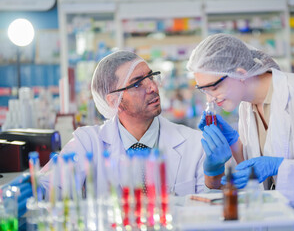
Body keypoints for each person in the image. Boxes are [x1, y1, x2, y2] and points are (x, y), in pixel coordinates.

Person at [186, 33, 294, 231]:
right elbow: (257, 166)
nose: (210, 99)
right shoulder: (246, 105)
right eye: (204, 90)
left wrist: (279, 167)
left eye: (214, 87)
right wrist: (234, 142)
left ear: (240, 73)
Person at [7, 50, 206, 216]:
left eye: (151, 76)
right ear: (113, 100)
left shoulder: (194, 144)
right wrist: (29, 188)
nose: (153, 87)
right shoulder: (88, 142)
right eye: (138, 83)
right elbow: (52, 186)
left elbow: (208, 210)